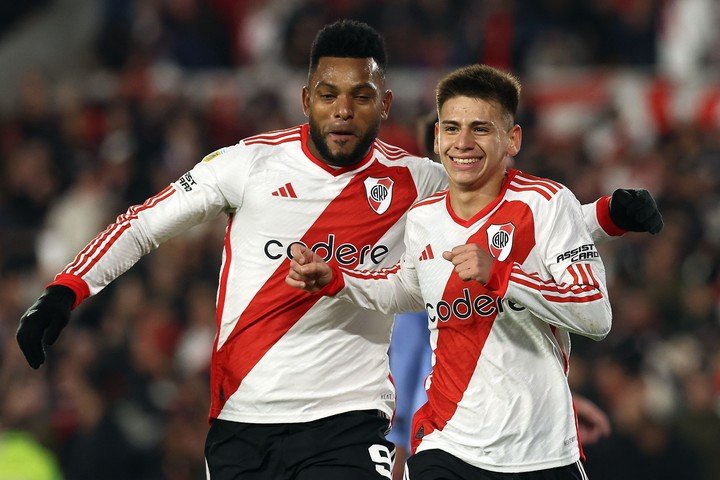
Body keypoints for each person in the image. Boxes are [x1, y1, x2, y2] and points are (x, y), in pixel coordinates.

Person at [16, 20, 659, 480]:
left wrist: (606, 215)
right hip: (242, 416)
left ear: (384, 101)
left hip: (354, 418)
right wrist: (64, 292)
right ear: (307, 99)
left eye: (360, 95)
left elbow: (519, 217)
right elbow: (143, 223)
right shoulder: (248, 165)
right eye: (329, 94)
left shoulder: (419, 179)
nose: (343, 110)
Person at [286, 64, 627, 479]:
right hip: (446, 444)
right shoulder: (425, 217)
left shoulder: (548, 204)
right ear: (436, 138)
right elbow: (406, 287)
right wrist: (338, 278)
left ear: (512, 139)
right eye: (451, 128)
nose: (462, 142)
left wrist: (503, 275)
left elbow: (595, 314)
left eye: (480, 129)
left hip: (541, 450)